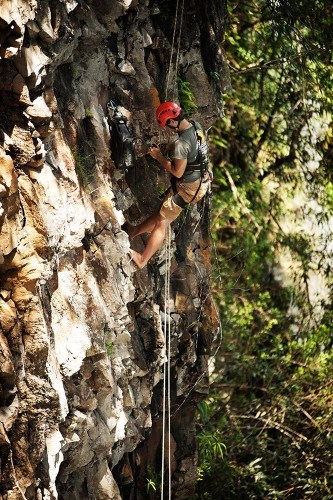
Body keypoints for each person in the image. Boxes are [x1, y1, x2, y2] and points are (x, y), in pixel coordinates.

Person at [125, 101, 210, 269]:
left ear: (172, 121)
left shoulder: (182, 144)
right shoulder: (196, 125)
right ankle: (133, 231)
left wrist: (158, 157)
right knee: (162, 211)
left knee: (162, 222)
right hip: (200, 180)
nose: (168, 128)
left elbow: (177, 172)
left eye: (167, 124)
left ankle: (142, 259)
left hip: (190, 188)